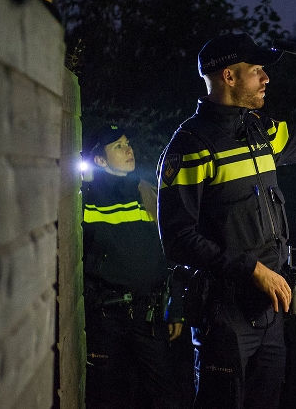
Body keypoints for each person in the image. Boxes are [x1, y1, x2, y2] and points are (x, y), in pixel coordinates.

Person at [156, 33, 296, 409]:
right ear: (228, 76)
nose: (266, 78)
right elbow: (178, 239)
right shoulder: (190, 146)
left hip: (271, 310)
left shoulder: (259, 129)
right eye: (257, 70)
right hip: (225, 314)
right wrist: (253, 271)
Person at [82, 125, 193, 409]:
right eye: (117, 146)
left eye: (127, 143)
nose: (128, 149)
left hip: (148, 315)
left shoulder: (148, 194)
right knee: (106, 395)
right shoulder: (85, 199)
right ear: (100, 160)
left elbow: (167, 257)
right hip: (106, 317)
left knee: (164, 394)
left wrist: (176, 308)